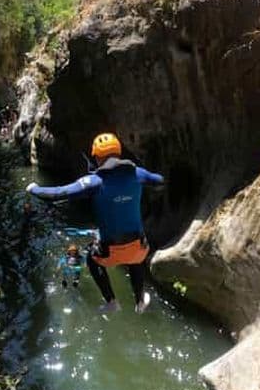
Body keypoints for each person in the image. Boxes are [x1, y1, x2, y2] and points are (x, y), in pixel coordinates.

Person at [26, 133, 164, 313]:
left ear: (97, 158)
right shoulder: (137, 174)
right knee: (135, 259)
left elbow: (57, 194)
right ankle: (139, 301)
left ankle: (111, 301)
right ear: (119, 153)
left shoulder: (94, 182)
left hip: (109, 254)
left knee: (92, 258)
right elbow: (159, 181)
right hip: (140, 248)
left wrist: (34, 188)